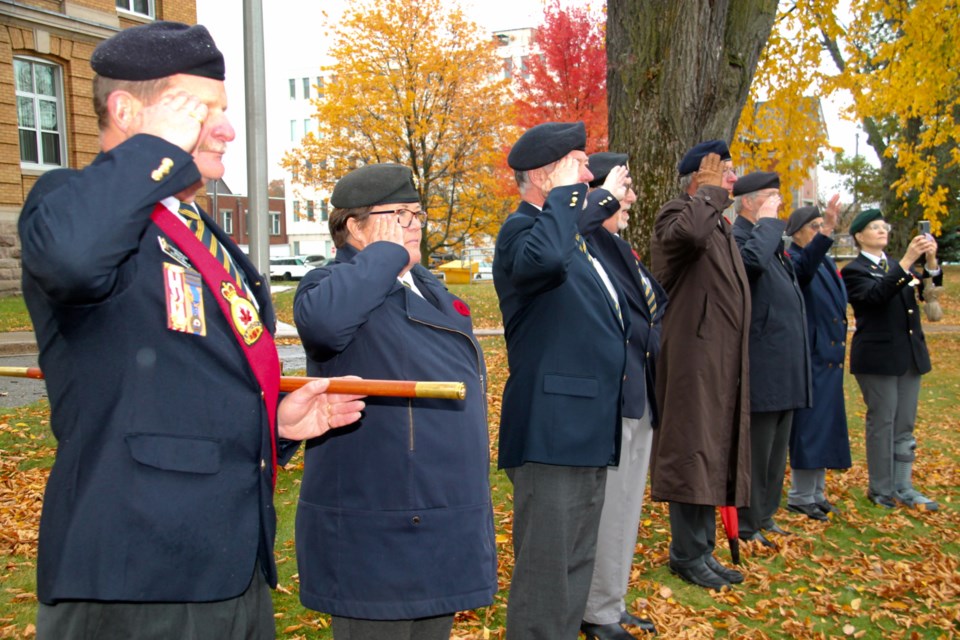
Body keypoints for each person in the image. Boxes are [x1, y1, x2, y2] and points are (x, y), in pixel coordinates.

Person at [17, 22, 365, 640]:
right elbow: (73, 260)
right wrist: (157, 148)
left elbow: (196, 380)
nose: (226, 128)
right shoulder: (69, 202)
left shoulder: (198, 231)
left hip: (228, 565)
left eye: (221, 110)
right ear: (126, 112)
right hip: (134, 574)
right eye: (199, 110)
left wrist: (277, 425)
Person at [291, 163, 497, 638]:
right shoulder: (330, 284)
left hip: (441, 514)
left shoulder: (427, 285)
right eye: (398, 214)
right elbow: (323, 324)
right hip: (379, 526)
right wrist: (383, 254)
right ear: (353, 226)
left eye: (417, 213)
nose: (415, 224)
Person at [494, 122, 629, 639]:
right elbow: (547, 258)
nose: (589, 173)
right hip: (552, 431)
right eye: (577, 163)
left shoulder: (566, 230)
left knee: (574, 566)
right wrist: (569, 197)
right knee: (546, 576)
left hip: (586, 424)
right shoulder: (524, 230)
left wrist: (576, 201)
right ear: (545, 176)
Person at [648, 140, 750, 591]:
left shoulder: (718, 225)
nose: (732, 178)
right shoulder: (677, 213)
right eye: (723, 170)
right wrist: (707, 194)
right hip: (693, 357)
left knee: (711, 451)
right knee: (692, 450)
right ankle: (686, 553)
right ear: (699, 178)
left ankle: (702, 550)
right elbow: (686, 239)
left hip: (719, 359)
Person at [578, 153, 665, 639]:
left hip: (639, 391)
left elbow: (653, 307)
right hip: (613, 397)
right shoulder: (587, 240)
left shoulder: (617, 246)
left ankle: (611, 600)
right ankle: (598, 612)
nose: (630, 197)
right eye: (621, 188)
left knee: (627, 507)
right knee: (610, 510)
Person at [731, 171, 816, 548]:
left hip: (784, 367)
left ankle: (766, 514)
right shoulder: (741, 238)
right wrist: (766, 223)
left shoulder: (770, 241)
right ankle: (748, 523)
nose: (777, 205)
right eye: (768, 197)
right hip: (761, 365)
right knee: (757, 451)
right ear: (747, 202)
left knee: (777, 449)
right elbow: (749, 268)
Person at [841, 209, 942, 511]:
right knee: (883, 423)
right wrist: (907, 261)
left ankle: (903, 485)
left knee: (904, 425)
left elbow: (927, 290)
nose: (882, 230)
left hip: (909, 355)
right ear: (859, 236)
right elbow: (874, 297)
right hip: (878, 358)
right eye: (874, 227)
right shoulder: (854, 270)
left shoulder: (897, 266)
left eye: (883, 226)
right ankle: (881, 489)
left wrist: (932, 260)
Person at [784, 201, 852, 520]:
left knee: (826, 426)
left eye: (820, 227)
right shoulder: (796, 258)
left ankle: (816, 493)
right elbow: (804, 270)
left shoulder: (823, 261)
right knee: (810, 428)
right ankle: (800, 494)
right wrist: (826, 232)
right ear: (797, 233)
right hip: (812, 357)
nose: (819, 233)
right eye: (813, 227)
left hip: (828, 356)